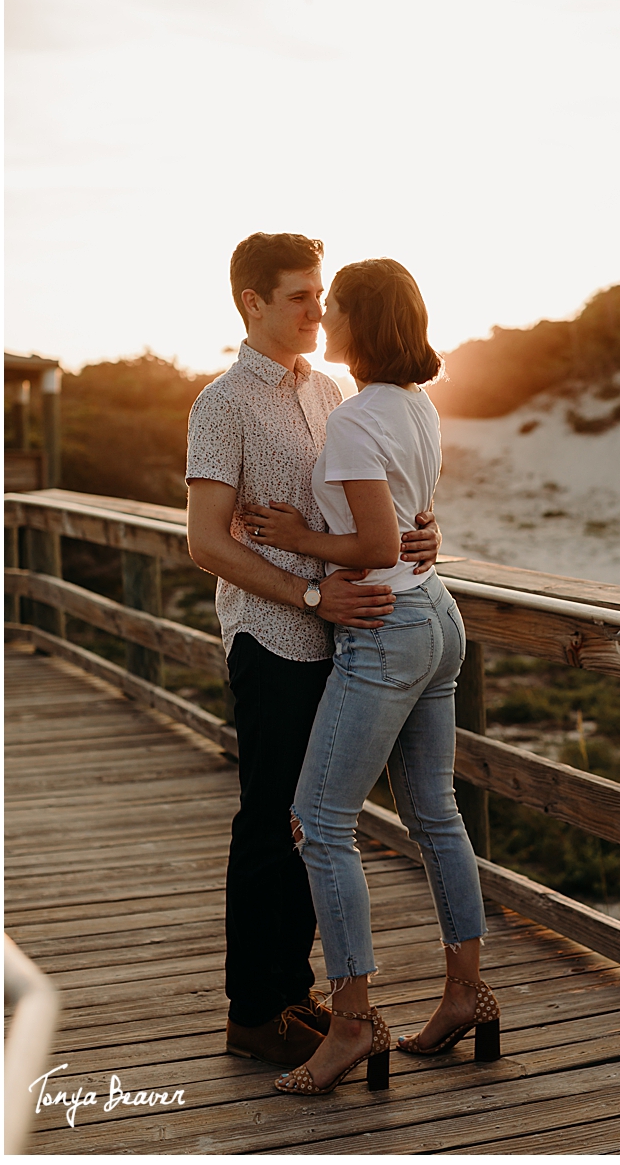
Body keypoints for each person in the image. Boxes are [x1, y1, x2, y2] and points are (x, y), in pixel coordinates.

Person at [242, 257, 497, 1097]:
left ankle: (353, 1019)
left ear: (362, 321)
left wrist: (295, 535)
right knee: (436, 813)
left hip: (387, 629)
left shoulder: (353, 418)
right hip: (437, 615)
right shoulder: (414, 402)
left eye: (336, 304)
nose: (325, 315)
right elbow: (412, 518)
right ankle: (467, 993)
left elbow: (377, 545)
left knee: (318, 819)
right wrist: (410, 534)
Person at [186, 232, 441, 1068]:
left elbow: (367, 503)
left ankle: (296, 992)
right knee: (270, 820)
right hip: (272, 636)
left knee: (312, 822)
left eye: (320, 294)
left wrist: (418, 533)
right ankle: (253, 1010)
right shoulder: (221, 404)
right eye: (299, 296)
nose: (317, 310)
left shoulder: (333, 388)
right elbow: (205, 543)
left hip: (344, 635)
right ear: (251, 303)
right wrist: (305, 593)